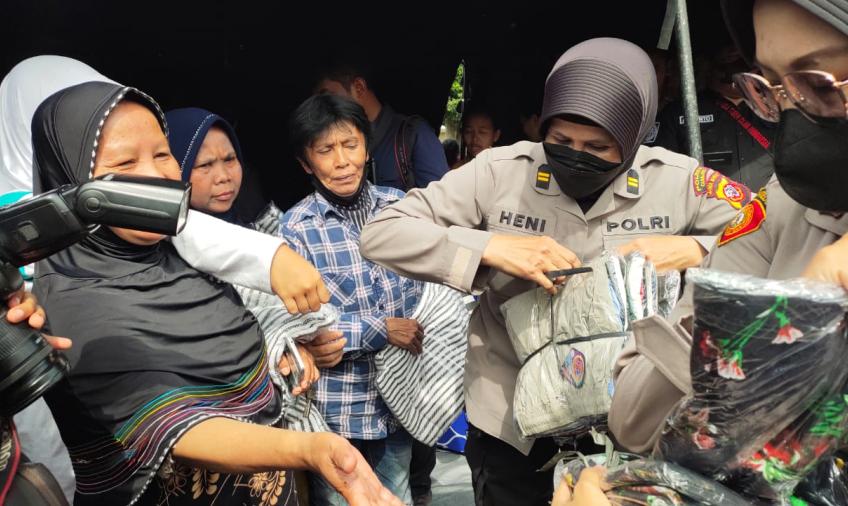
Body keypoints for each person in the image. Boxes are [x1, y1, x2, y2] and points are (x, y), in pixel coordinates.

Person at [360, 38, 748, 506]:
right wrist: (490, 248)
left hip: (632, 421)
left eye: (598, 146)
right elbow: (382, 232)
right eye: (560, 141)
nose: (576, 156)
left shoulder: (682, 181)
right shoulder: (499, 172)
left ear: (635, 137)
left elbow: (772, 243)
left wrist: (693, 249)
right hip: (513, 425)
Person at [31, 81, 401, 506]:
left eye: (162, 154)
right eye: (124, 161)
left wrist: (289, 346)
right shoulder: (70, 301)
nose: (154, 175)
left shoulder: (186, 255)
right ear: (74, 181)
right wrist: (311, 449)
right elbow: (179, 428)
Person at [609, 0, 848, 455]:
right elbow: (633, 417)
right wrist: (787, 318)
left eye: (819, 85)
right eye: (772, 88)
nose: (797, 117)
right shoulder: (783, 207)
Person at [283, 93, 425, 505]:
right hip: (338, 412)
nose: (342, 161)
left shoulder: (400, 209)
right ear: (306, 163)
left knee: (397, 497)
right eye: (326, 150)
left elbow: (428, 295)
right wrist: (380, 329)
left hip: (401, 404)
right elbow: (301, 325)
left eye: (350, 145)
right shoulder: (294, 230)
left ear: (367, 146)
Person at [653, 44, 777, 191]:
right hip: (709, 210)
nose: (740, 75)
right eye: (731, 65)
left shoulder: (774, 109)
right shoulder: (681, 111)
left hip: (768, 209)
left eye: (744, 66)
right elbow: (660, 171)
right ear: (713, 69)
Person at [314, 63, 449, 190]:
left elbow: (439, 204)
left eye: (328, 97)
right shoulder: (330, 143)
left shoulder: (413, 134)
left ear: (359, 87)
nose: (324, 108)